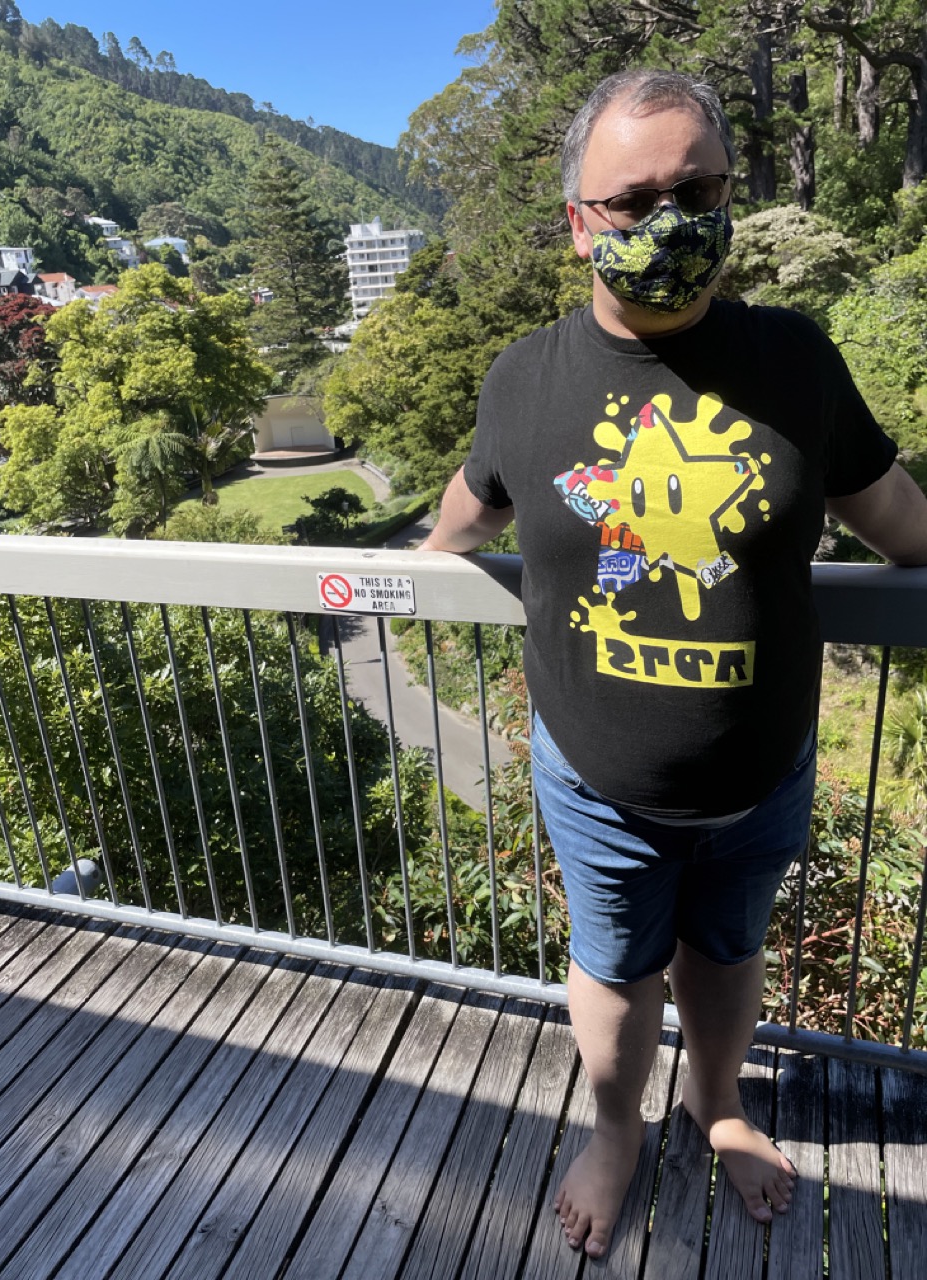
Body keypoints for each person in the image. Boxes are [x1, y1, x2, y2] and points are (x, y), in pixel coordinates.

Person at [418, 68, 927, 1260]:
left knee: (730, 953)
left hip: (763, 777)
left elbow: (898, 516)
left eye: (697, 188)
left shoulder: (795, 362)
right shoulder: (524, 379)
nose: (670, 223)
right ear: (577, 222)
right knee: (612, 973)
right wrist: (408, 569)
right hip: (594, 782)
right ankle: (614, 1125)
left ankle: (722, 1099)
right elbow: (466, 510)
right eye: (633, 200)